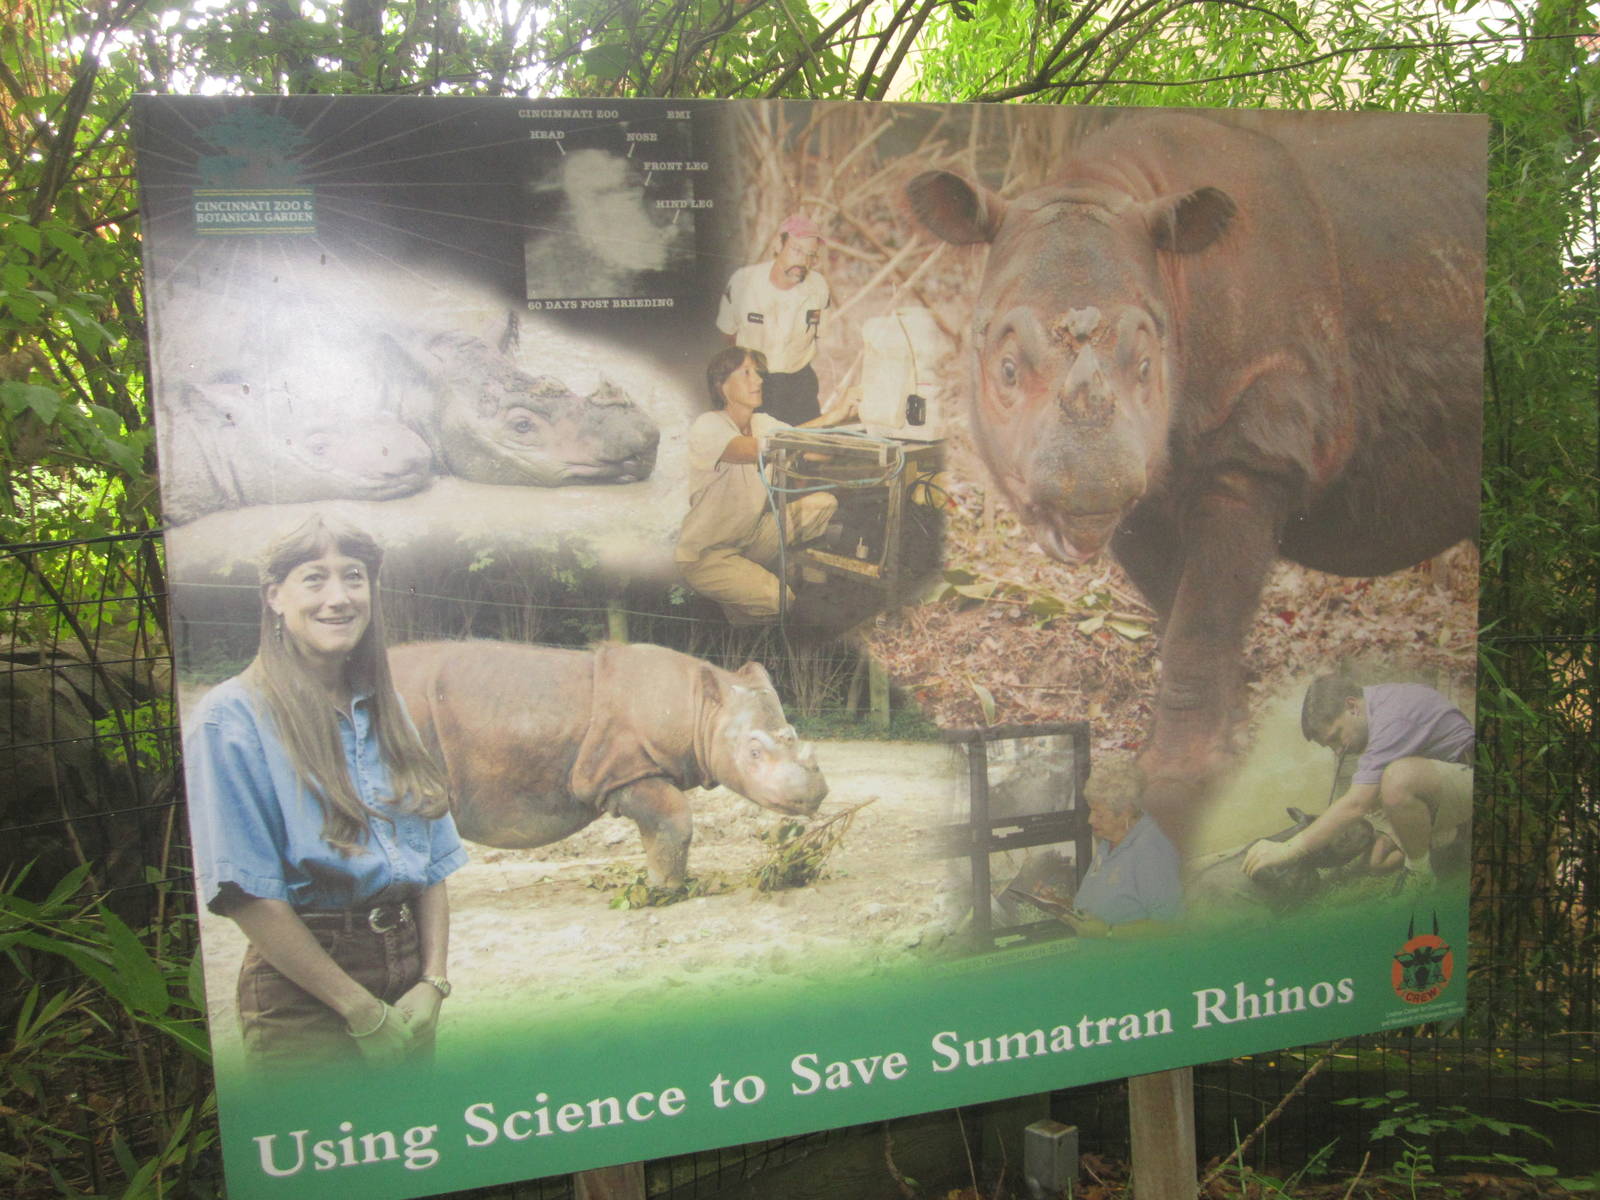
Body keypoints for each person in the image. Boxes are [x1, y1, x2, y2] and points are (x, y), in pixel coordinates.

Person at [185, 515, 467, 1070]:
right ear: (275, 596)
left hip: (408, 983)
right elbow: (246, 893)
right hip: (307, 998)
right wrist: (359, 1009)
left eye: (354, 577)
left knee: (413, 1151)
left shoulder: (387, 712)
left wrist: (433, 981)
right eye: (315, 578)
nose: (339, 597)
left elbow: (430, 864)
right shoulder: (230, 717)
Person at [676, 347, 854, 624]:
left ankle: (743, 597)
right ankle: (743, 617)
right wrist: (825, 423)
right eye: (746, 373)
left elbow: (806, 445)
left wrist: (842, 418)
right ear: (721, 385)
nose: (758, 380)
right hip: (707, 555)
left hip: (750, 537)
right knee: (781, 601)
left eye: (758, 373)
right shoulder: (708, 425)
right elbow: (750, 449)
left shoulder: (762, 422)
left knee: (823, 503)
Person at [1243, 675, 1473, 888]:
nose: (1338, 750)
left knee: (1397, 777)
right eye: (1330, 746)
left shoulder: (1392, 716)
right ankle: (1448, 839)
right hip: (1436, 784)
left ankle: (1420, 877)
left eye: (1336, 737)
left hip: (1471, 775)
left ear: (1352, 706)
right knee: (1377, 861)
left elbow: (1357, 804)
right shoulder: (1374, 709)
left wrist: (1289, 849)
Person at [717, 214, 831, 425]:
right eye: (797, 250)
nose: (803, 262)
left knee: (809, 449)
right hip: (755, 382)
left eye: (811, 255)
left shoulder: (818, 287)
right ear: (778, 244)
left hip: (799, 383)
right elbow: (728, 333)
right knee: (758, 450)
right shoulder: (743, 282)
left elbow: (819, 334)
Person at [1063, 762, 1183, 939]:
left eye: (1099, 814)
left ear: (1125, 813)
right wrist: (1061, 904)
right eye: (1091, 811)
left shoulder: (1152, 851)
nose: (1090, 820)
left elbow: (1170, 925)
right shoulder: (1111, 838)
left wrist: (1108, 932)